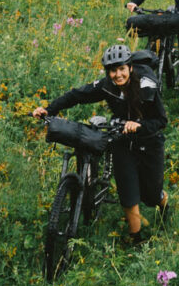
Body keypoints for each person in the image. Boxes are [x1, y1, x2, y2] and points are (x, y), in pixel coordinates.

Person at [34, 43, 169, 245]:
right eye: (113, 70)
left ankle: (165, 206)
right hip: (121, 141)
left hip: (149, 143)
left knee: (151, 196)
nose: (118, 75)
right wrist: (48, 109)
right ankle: (137, 241)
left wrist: (139, 125)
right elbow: (77, 95)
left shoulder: (145, 85)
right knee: (128, 194)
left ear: (130, 67)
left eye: (122, 68)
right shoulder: (107, 86)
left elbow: (161, 121)